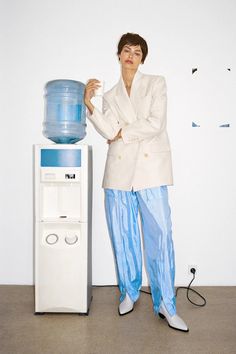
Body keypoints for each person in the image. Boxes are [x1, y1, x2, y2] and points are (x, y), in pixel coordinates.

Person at [84, 32, 189, 332]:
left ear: (143, 58)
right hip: (118, 172)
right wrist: (89, 104)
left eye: (138, 52)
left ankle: (166, 305)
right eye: (126, 50)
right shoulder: (109, 96)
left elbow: (157, 123)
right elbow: (107, 130)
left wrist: (122, 132)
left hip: (151, 168)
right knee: (122, 235)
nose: (131, 55)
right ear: (118, 55)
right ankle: (129, 292)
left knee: (160, 235)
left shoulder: (156, 83)